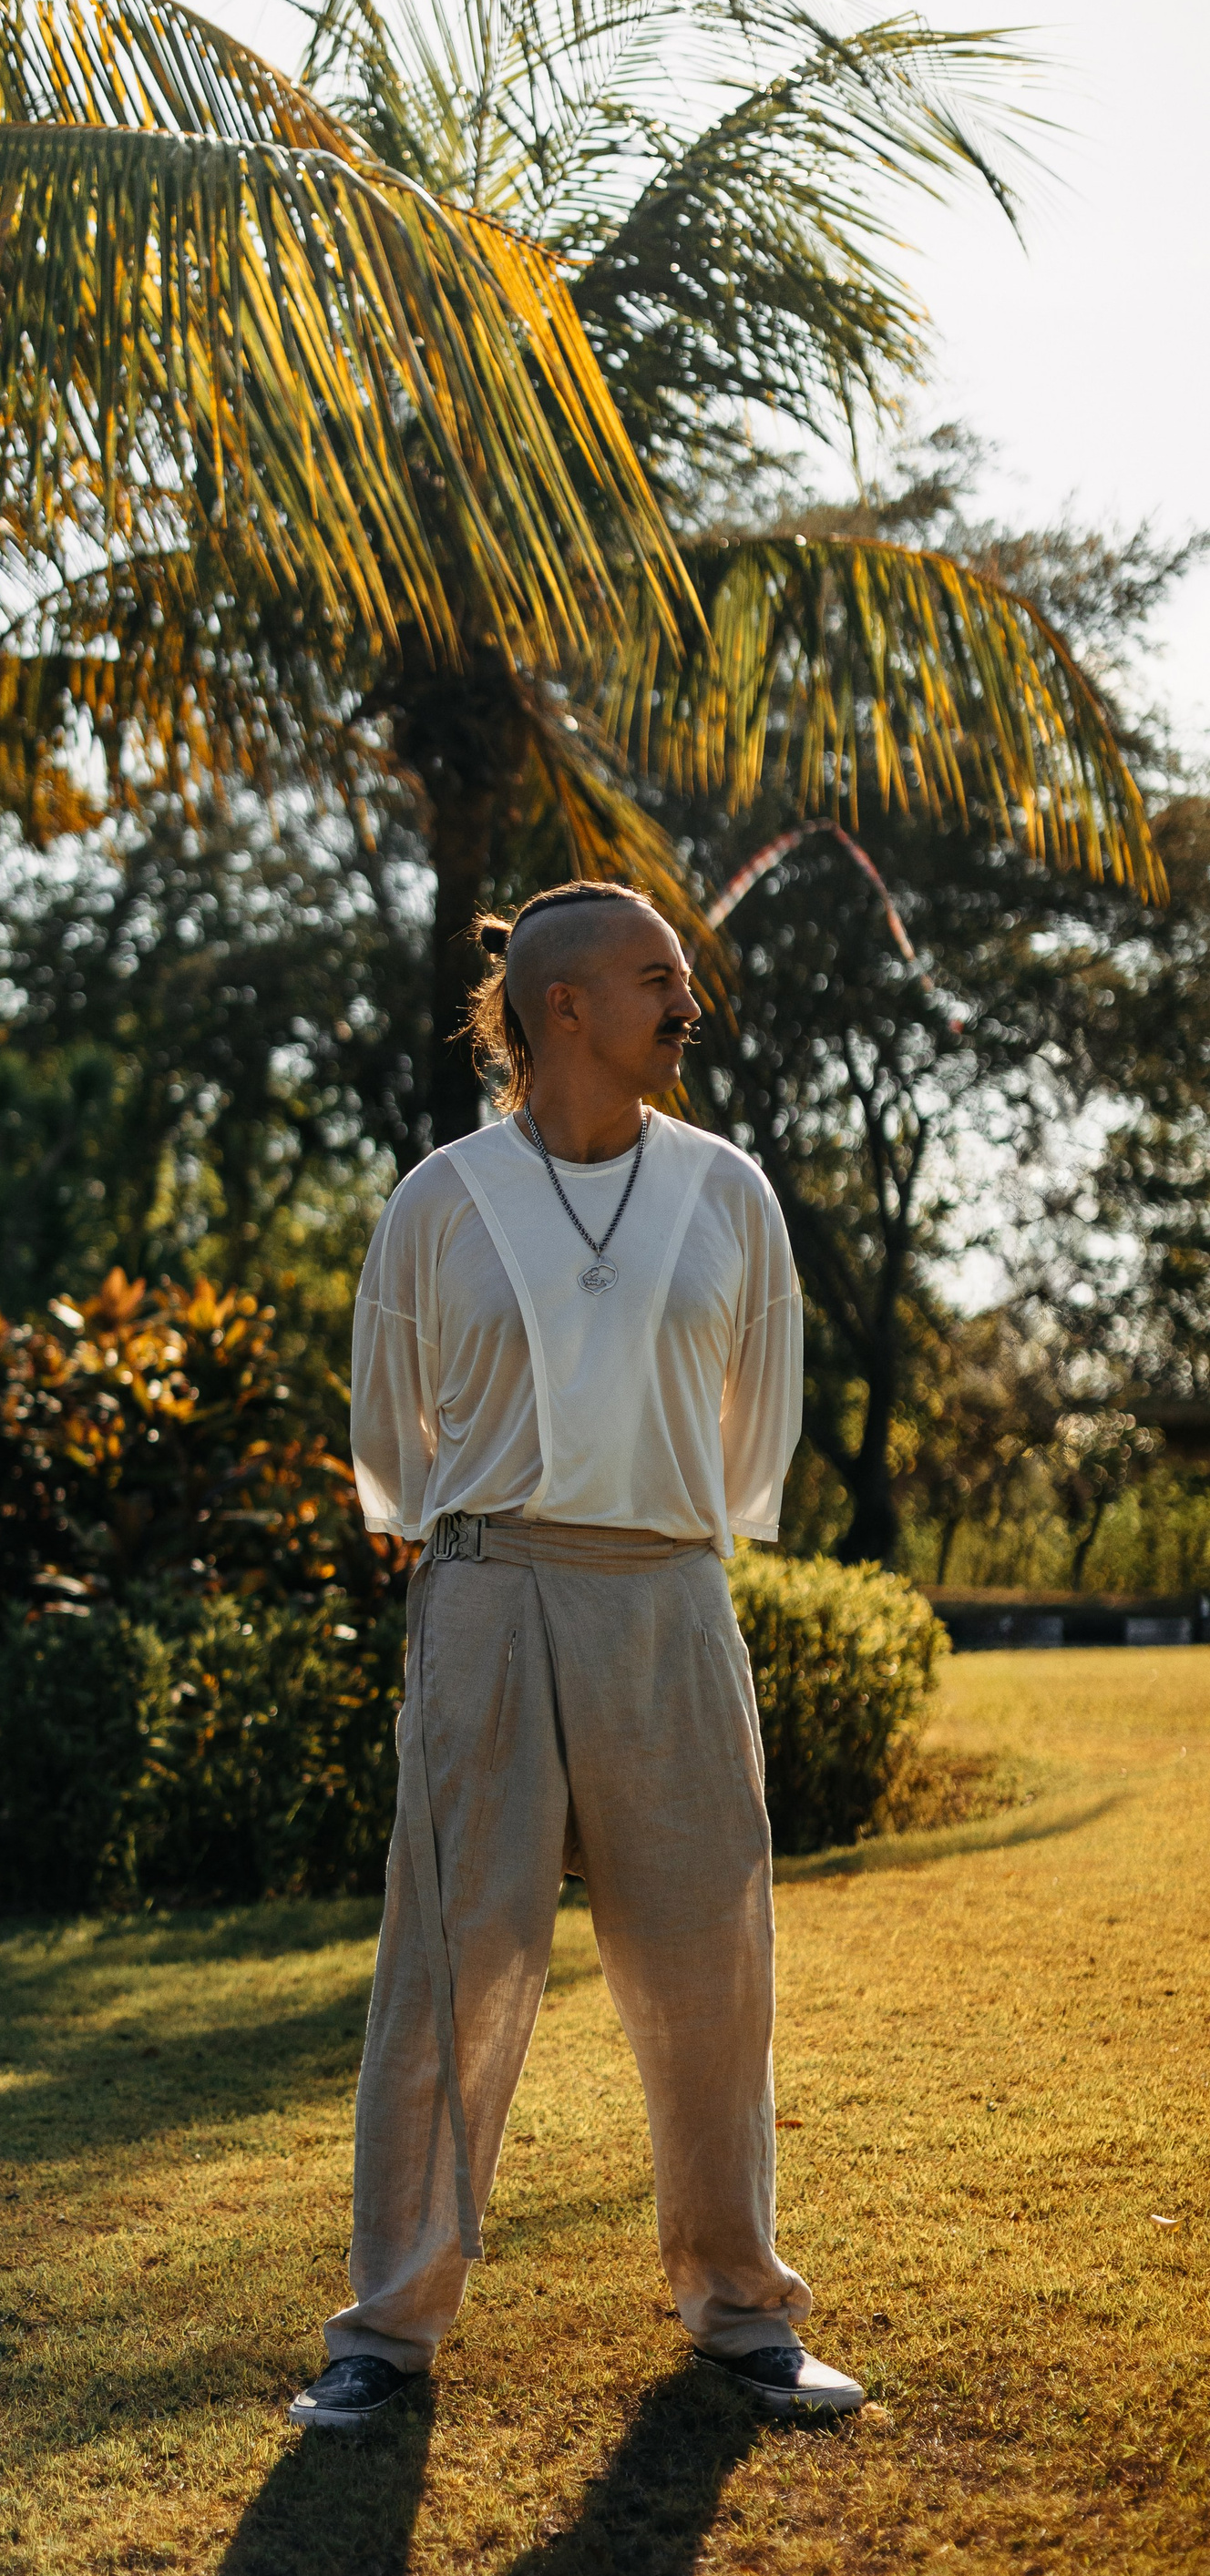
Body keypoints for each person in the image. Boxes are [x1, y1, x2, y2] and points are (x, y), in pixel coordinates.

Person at [288, 879, 864, 2432]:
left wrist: (654, 1536)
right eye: (657, 978)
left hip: (668, 1598)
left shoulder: (731, 1192)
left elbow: (757, 1425)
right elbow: (390, 1436)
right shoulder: (441, 1200)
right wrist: (495, 1539)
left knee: (712, 1968)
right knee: (448, 1969)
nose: (689, 1004)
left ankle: (741, 2310)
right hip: (486, 1592)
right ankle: (385, 2333)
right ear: (565, 1007)